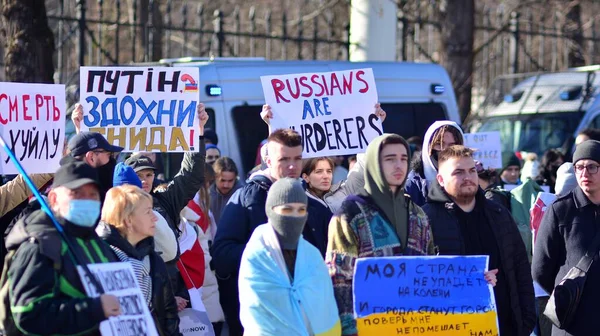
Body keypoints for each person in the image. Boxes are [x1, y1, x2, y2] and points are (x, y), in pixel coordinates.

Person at [326, 134, 436, 335]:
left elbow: (430, 272)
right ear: (374, 163)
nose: (399, 165)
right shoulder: (350, 213)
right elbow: (339, 282)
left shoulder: (418, 214)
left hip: (415, 326)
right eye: (390, 159)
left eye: (404, 158)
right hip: (369, 327)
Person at [422, 145, 536, 336]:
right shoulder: (425, 219)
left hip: (505, 325)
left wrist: (526, 320)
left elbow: (520, 267)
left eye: (472, 170)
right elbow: (422, 281)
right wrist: (471, 280)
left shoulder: (499, 214)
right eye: (459, 172)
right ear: (440, 179)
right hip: (453, 328)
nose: (468, 177)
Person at [4, 162, 120, 335]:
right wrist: (94, 310)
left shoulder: (96, 243)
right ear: (53, 199)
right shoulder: (40, 246)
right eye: (77, 194)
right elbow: (28, 314)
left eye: (93, 195)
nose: (87, 201)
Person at [211, 128, 303, 336]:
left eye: (298, 158)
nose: (292, 166)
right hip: (259, 315)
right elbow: (222, 254)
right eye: (284, 159)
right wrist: (268, 252)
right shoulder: (247, 198)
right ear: (268, 161)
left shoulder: (311, 201)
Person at [125, 103, 210, 311]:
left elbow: (191, 176)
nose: (144, 181)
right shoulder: (114, 207)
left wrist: (198, 133)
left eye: (148, 175)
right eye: (138, 176)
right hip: (134, 299)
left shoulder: (164, 200)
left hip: (171, 297)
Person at [239, 178, 341, 335]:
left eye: (301, 210)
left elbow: (325, 307)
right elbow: (259, 316)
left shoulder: (313, 256)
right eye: (287, 210)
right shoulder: (257, 256)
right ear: (271, 210)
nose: (295, 216)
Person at [533, 140, 600, 336]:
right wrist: (569, 293)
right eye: (579, 167)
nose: (584, 174)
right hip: (572, 323)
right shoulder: (561, 210)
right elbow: (540, 269)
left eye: (592, 167)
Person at [97, 185, 181, 336]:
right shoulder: (100, 260)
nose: (155, 217)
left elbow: (169, 316)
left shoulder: (154, 260)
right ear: (129, 220)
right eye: (148, 212)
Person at [405, 121, 465, 206]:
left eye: (452, 146)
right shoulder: (411, 187)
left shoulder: (469, 181)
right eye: (439, 144)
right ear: (428, 146)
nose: (444, 150)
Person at [60, 131, 124, 200]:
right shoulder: (97, 197)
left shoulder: (63, 188)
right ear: (91, 157)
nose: (112, 158)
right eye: (109, 154)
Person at [301, 157, 335, 257]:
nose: (326, 176)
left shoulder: (335, 198)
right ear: (305, 177)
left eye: (329, 171)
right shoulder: (303, 206)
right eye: (319, 172)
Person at [210, 157, 243, 225]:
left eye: (230, 181)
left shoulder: (242, 195)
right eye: (222, 180)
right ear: (215, 177)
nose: (226, 185)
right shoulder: (205, 193)